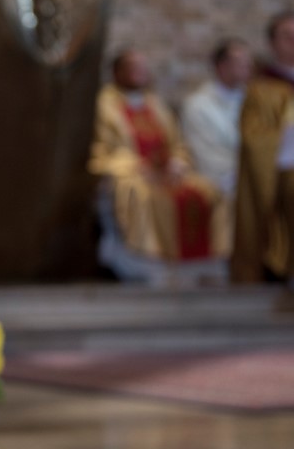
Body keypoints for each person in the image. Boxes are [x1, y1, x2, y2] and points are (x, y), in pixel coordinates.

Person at [90, 48, 227, 282]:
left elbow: (177, 143)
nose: (140, 73)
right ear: (117, 73)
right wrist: (138, 166)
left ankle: (204, 263)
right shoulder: (104, 106)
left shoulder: (155, 104)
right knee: (141, 194)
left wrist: (177, 162)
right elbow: (101, 148)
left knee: (209, 191)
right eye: (133, 68)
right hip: (131, 172)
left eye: (142, 68)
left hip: (167, 172)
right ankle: (146, 263)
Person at [231, 10, 294, 283]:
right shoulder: (260, 88)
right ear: (272, 43)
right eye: (287, 36)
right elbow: (253, 137)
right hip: (281, 171)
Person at [181, 39, 253, 197]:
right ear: (221, 66)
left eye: (248, 61)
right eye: (240, 61)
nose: (248, 66)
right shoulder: (198, 106)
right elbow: (207, 157)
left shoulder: (253, 99)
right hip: (224, 187)